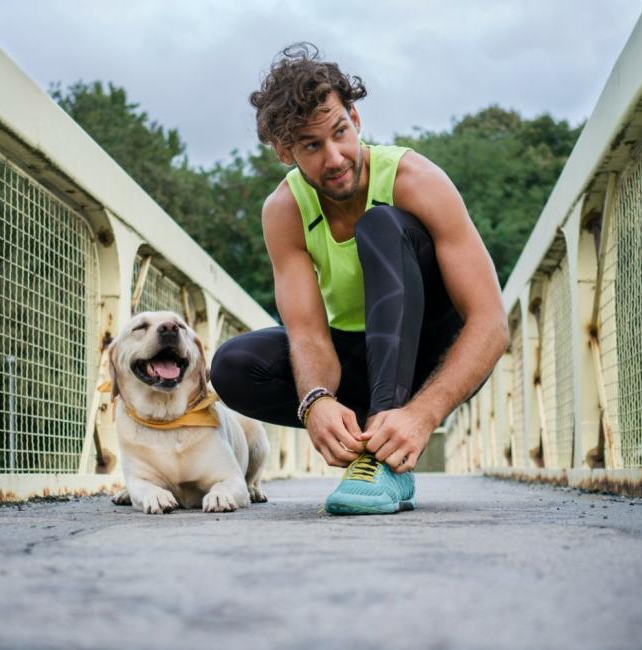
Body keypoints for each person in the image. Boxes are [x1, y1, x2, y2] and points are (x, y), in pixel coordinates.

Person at [210, 43, 508, 515]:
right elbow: (307, 332)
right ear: (285, 151)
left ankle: (385, 455)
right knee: (233, 364)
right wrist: (317, 399)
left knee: (382, 225)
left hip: (426, 351)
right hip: (354, 355)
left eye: (340, 132)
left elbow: (491, 322)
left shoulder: (416, 179)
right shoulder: (283, 211)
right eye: (311, 145)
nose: (335, 157)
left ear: (355, 117)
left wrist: (422, 414)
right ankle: (371, 440)